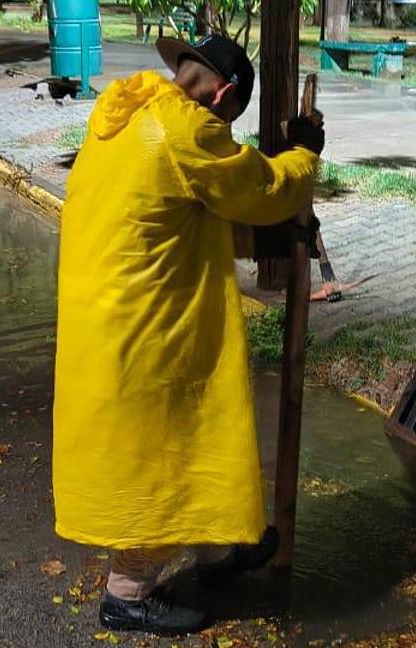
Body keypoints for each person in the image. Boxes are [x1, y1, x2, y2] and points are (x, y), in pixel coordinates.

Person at [51, 34, 325, 636]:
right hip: (146, 324)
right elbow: (260, 190)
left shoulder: (125, 111)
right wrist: (305, 155)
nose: (226, 129)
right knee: (160, 451)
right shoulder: (186, 132)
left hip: (112, 310)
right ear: (224, 95)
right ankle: (126, 595)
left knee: (195, 430)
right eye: (230, 119)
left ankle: (218, 553)